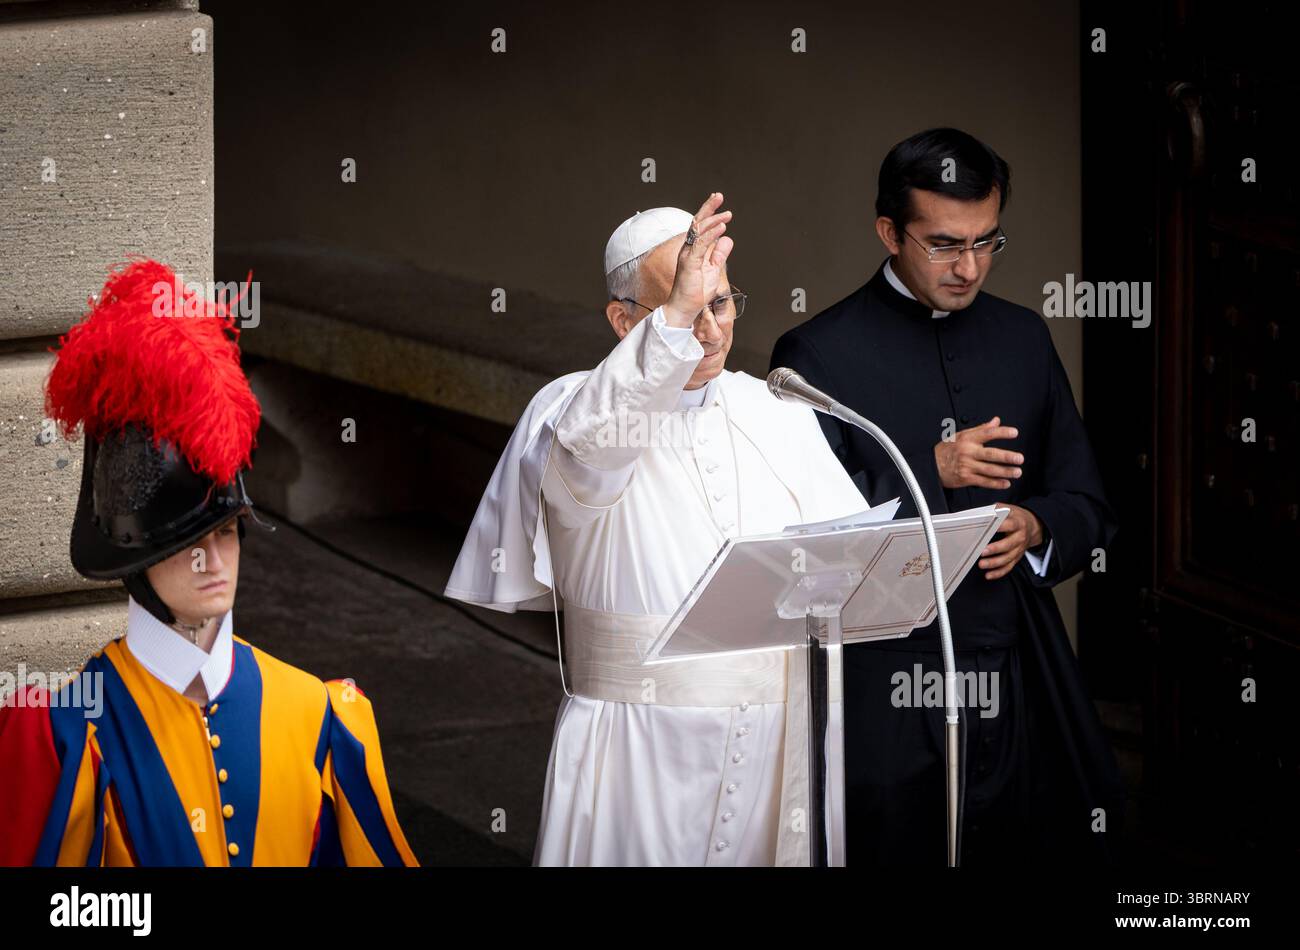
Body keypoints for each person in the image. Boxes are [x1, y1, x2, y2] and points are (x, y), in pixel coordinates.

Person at [446, 195, 867, 865]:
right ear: (623, 321)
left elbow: (846, 557)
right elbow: (592, 452)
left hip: (774, 742)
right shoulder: (569, 408)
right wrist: (671, 322)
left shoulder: (776, 408)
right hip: (637, 748)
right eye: (682, 309)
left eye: (719, 305)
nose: (707, 332)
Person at [771, 128, 1124, 865]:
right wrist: (928, 469)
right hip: (880, 682)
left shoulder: (1023, 337)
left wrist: (1037, 524)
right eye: (943, 245)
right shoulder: (816, 356)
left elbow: (1089, 503)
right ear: (889, 232)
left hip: (1014, 660)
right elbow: (795, 545)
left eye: (987, 242)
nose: (969, 268)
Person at [0, 259, 418, 867]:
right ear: (135, 562)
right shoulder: (68, 735)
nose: (213, 560)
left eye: (227, 532)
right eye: (185, 544)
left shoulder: (320, 714)